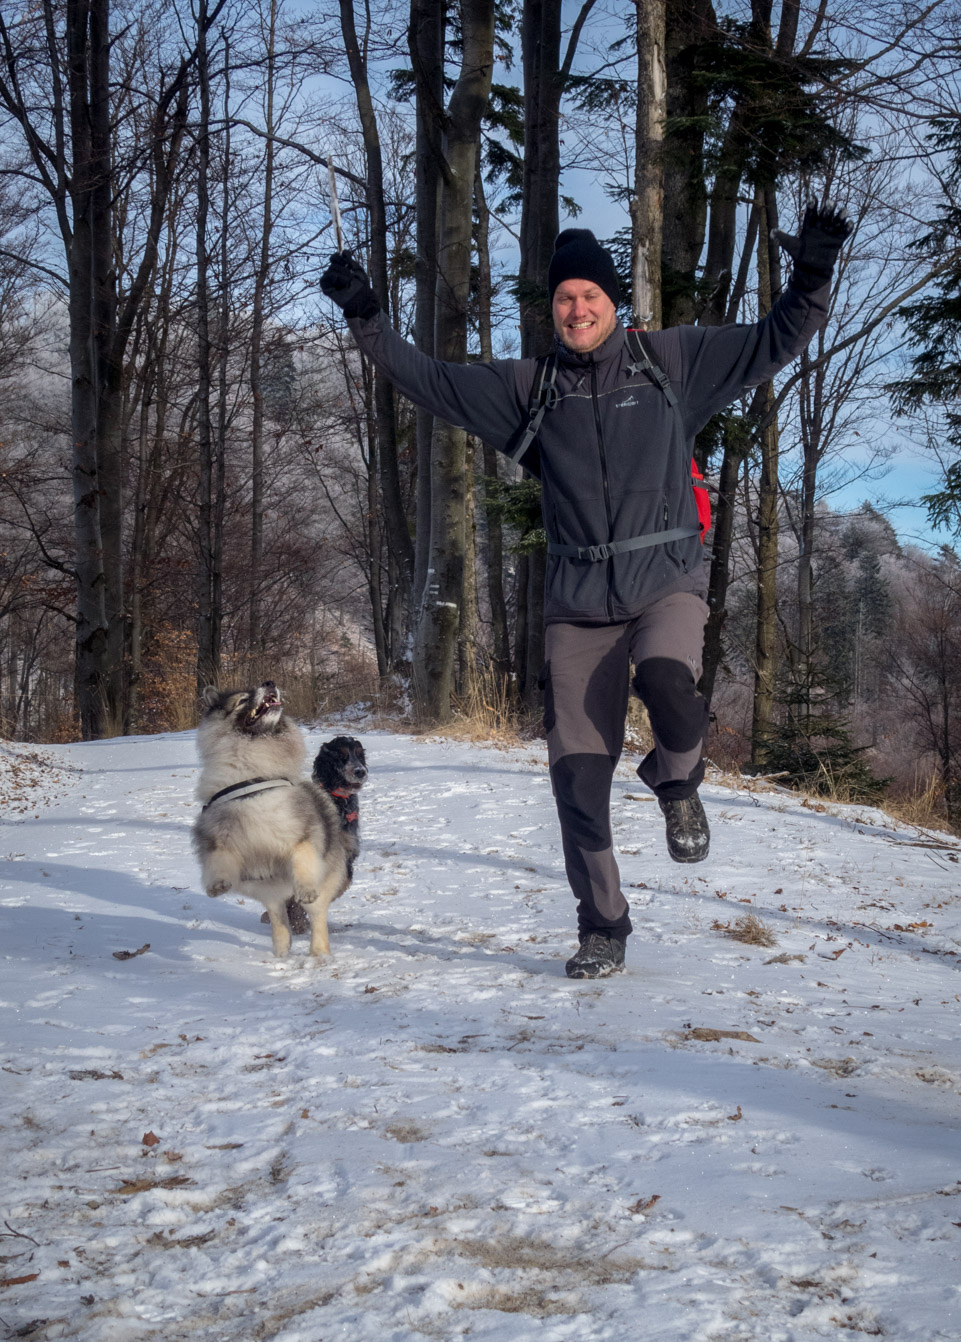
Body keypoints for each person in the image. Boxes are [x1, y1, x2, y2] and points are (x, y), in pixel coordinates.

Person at [320, 204, 851, 979]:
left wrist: (810, 274)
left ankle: (676, 780)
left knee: (668, 684)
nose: (577, 308)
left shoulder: (670, 364)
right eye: (564, 298)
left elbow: (775, 338)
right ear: (554, 310)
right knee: (575, 776)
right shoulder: (526, 391)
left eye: (589, 295)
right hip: (577, 603)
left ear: (613, 303)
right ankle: (603, 925)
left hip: (665, 578)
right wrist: (366, 315)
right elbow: (427, 380)